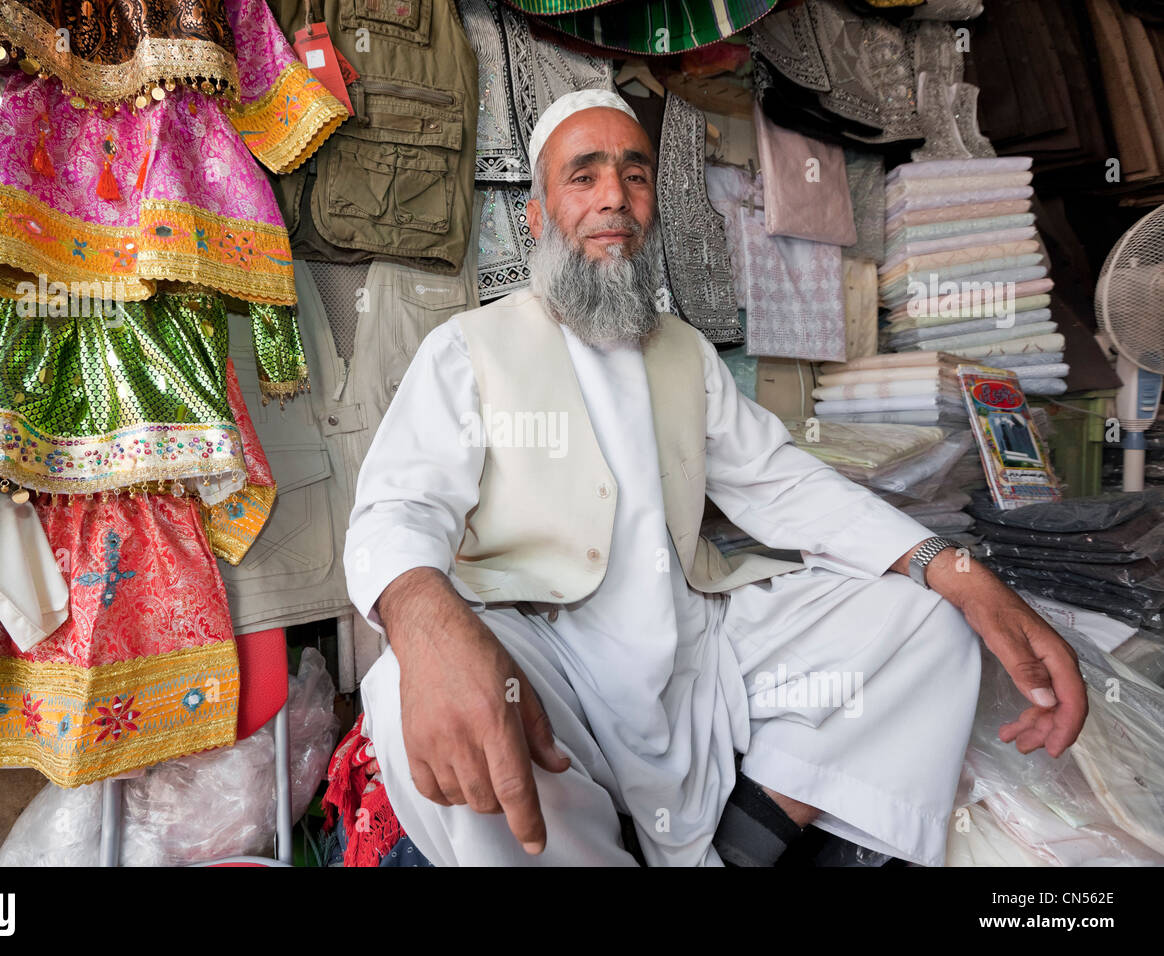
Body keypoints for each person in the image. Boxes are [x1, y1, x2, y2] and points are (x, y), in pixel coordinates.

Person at [342, 89, 1088, 866]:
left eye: (635, 177)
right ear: (535, 216)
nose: (614, 199)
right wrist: (428, 624)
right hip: (548, 652)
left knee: (925, 622)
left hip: (695, 641)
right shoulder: (470, 347)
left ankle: (747, 842)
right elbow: (399, 506)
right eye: (584, 176)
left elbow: (780, 483)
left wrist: (956, 569)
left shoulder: (681, 350)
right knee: (410, 696)